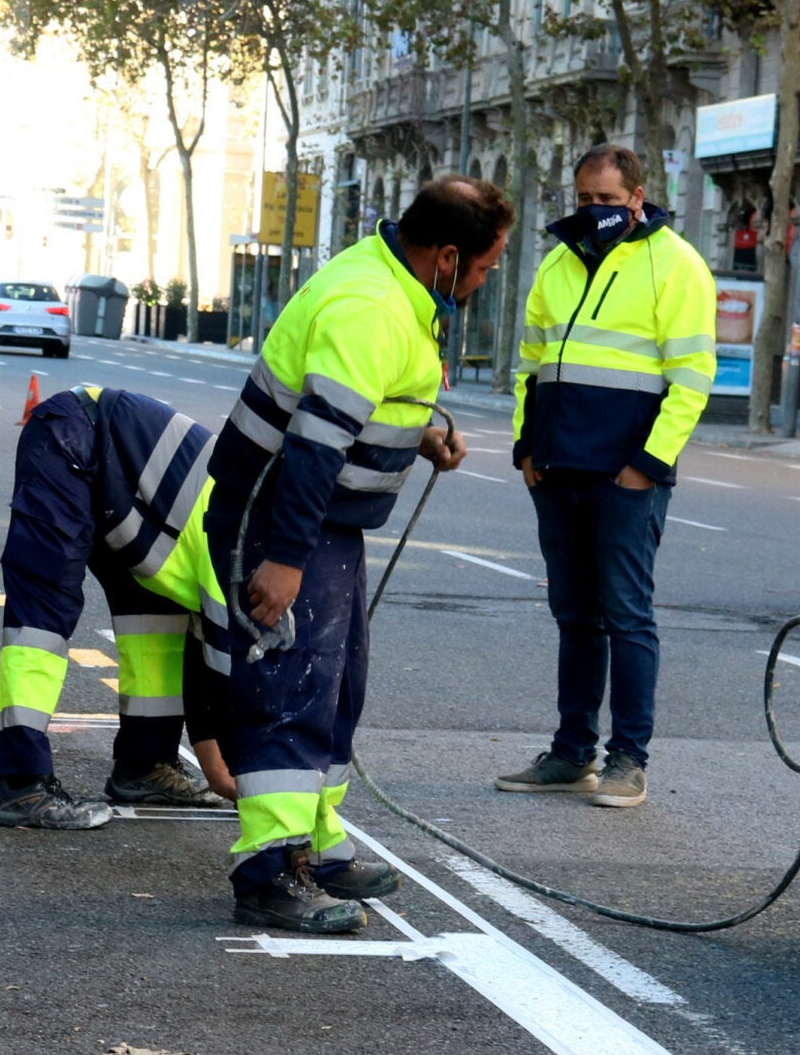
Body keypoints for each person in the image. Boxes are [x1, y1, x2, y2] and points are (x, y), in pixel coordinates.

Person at [199, 177, 498, 933]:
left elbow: (358, 407)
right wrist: (286, 560)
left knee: (335, 684)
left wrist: (420, 435)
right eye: (486, 266)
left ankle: (317, 845)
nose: (486, 280)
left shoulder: (397, 286)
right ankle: (269, 869)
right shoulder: (370, 304)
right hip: (282, 515)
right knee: (288, 684)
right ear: (448, 255)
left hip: (324, 519)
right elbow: (315, 443)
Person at [495, 144, 716, 810]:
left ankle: (628, 760)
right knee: (574, 616)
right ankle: (571, 754)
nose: (595, 210)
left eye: (609, 200)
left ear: (638, 197)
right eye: (585, 198)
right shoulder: (558, 262)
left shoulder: (677, 265)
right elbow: (529, 367)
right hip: (557, 469)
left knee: (627, 615)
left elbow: (692, 379)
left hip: (627, 476)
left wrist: (646, 466)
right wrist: (524, 448)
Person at [0, 385, 234, 829]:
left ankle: (144, 764)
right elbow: (217, 678)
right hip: (72, 438)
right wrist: (225, 774)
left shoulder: (250, 557)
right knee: (44, 613)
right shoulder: (239, 558)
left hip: (129, 493)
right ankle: (20, 784)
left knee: (156, 623)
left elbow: (203, 660)